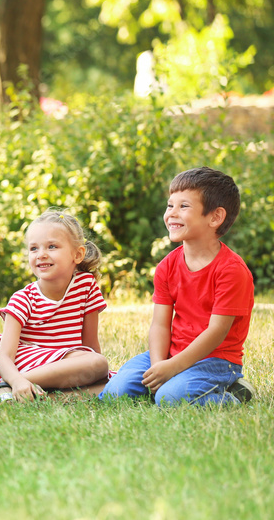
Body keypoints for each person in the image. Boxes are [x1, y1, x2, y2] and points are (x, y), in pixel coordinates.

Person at [101, 168, 256, 406]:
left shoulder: (232, 270)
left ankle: (234, 395)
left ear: (215, 217)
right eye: (169, 205)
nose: (172, 214)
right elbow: (160, 324)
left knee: (169, 398)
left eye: (183, 206)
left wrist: (172, 368)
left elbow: (216, 333)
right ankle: (169, 380)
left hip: (215, 360)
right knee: (115, 394)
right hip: (172, 352)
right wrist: (158, 367)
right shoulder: (167, 266)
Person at [0, 210, 111, 404]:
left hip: (64, 365)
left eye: (52, 246)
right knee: (98, 364)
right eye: (34, 249)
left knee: (111, 383)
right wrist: (16, 378)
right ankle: (7, 386)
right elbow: (3, 359)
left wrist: (96, 375)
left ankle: (41, 398)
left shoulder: (86, 286)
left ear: (77, 254)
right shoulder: (23, 299)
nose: (41, 255)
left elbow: (90, 346)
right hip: (16, 365)